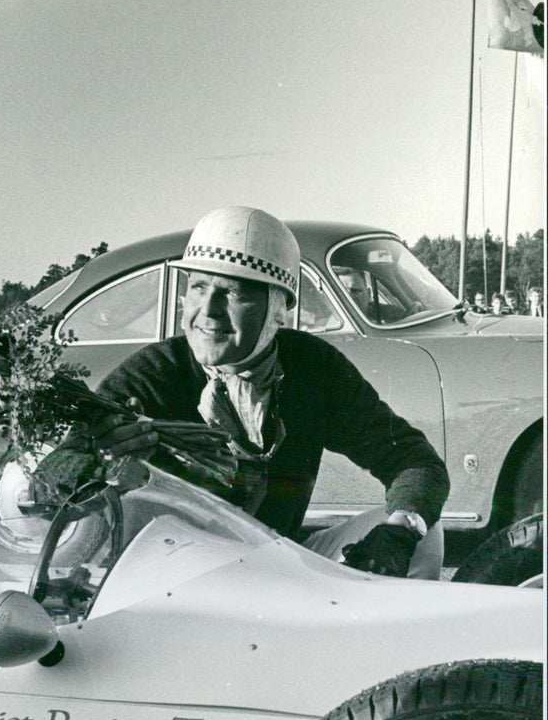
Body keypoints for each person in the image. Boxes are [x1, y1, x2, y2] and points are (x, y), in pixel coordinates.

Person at [82, 206, 450, 579]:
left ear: (279, 309)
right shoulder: (154, 372)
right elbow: (62, 470)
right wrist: (99, 460)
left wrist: (401, 532)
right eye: (197, 287)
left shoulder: (313, 367)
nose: (208, 311)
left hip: (280, 563)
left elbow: (414, 461)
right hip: (179, 579)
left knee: (425, 533)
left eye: (233, 293)